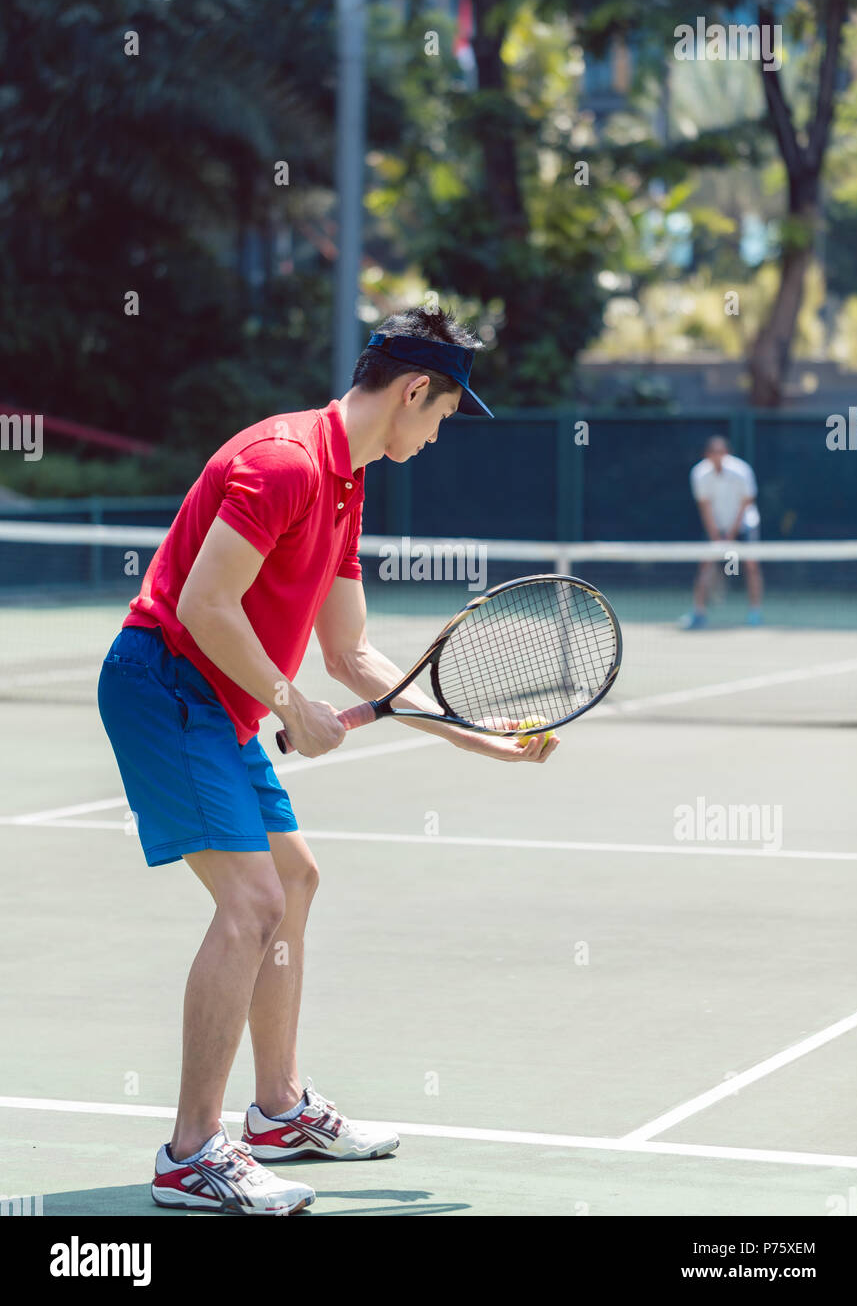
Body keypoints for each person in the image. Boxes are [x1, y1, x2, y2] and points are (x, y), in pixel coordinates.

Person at [97, 306, 559, 1215]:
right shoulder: (286, 463)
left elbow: (350, 654)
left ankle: (278, 1112)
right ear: (414, 390)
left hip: (220, 697)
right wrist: (291, 706)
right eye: (442, 414)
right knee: (253, 901)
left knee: (295, 881)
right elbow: (205, 603)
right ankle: (190, 1155)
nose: (437, 435)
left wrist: (477, 733)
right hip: (166, 685)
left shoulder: (345, 483)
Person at [681, 434, 763, 629]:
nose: (717, 456)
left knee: (751, 565)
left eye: (721, 452)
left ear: (727, 453)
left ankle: (755, 612)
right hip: (716, 527)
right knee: (705, 564)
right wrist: (717, 536)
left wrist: (732, 533)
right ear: (707, 455)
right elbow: (705, 506)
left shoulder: (741, 471)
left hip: (744, 524)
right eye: (713, 452)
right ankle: (699, 612)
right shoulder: (699, 473)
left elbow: (746, 503)